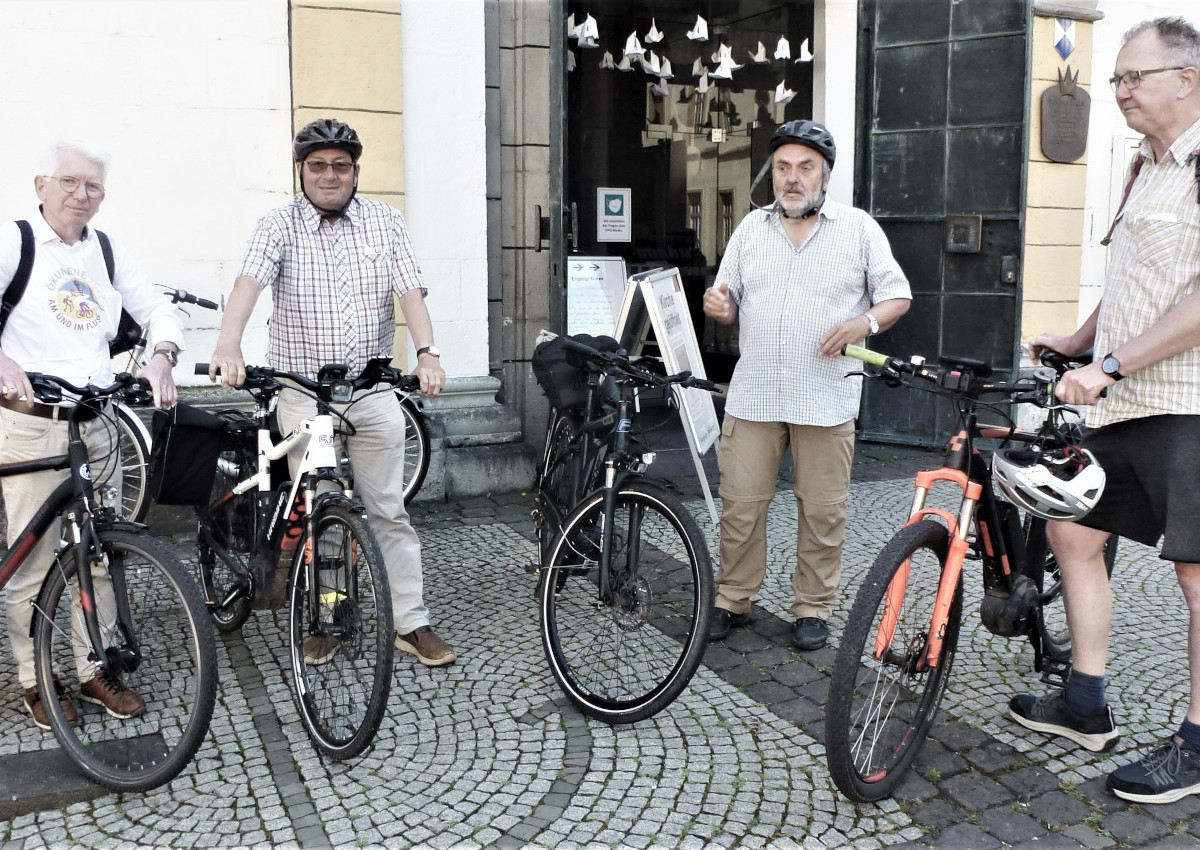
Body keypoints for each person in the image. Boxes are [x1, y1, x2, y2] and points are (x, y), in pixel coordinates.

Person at [1008, 16, 1200, 804]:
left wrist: (1110, 364)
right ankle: (1084, 704)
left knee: (1197, 574)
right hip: (1123, 402)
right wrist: (1081, 340)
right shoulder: (1142, 167)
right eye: (1116, 77)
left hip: (1189, 405)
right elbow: (1132, 283)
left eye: (1133, 77)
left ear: (1186, 79)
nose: (1118, 90)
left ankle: (1196, 742)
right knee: (1070, 532)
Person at [208, 118, 455, 667]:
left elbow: (410, 290)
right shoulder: (278, 226)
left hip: (369, 391)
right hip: (303, 394)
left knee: (389, 509)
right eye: (317, 165)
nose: (329, 174)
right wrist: (228, 345)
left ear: (356, 172)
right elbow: (248, 283)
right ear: (302, 171)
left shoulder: (386, 223)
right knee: (321, 507)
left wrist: (427, 352)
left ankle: (411, 623)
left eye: (340, 165)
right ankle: (331, 614)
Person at [702, 120, 911, 650]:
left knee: (822, 509)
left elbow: (897, 295)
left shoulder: (859, 228)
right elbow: (725, 302)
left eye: (805, 167)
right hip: (755, 394)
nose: (792, 178)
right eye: (783, 168)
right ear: (772, 174)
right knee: (741, 504)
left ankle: (812, 606)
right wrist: (720, 307)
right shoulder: (751, 229)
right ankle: (733, 597)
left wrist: (863, 324)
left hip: (827, 394)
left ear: (826, 174)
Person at [0, 140, 184, 729]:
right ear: (41, 185)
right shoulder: (16, 241)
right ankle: (35, 680)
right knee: (29, 563)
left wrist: (162, 356)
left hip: (97, 425)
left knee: (97, 553)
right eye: (70, 182)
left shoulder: (104, 249)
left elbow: (156, 307)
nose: (82, 195)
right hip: (33, 429)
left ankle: (93, 666)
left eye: (93, 187)